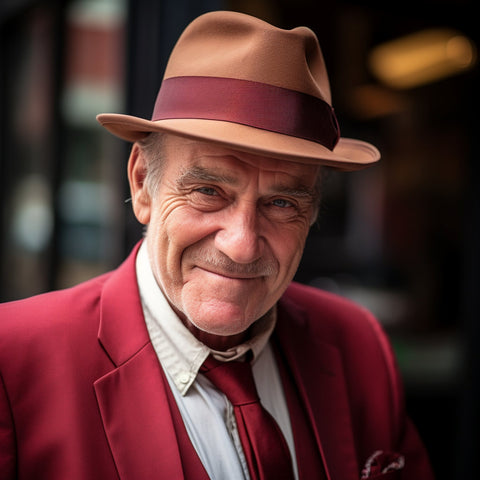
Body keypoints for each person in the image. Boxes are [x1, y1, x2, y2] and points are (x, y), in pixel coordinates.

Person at [0, 10, 434, 480]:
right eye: (209, 192)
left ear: (312, 214)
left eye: (282, 202)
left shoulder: (357, 346)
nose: (242, 245)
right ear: (143, 184)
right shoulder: (13, 360)